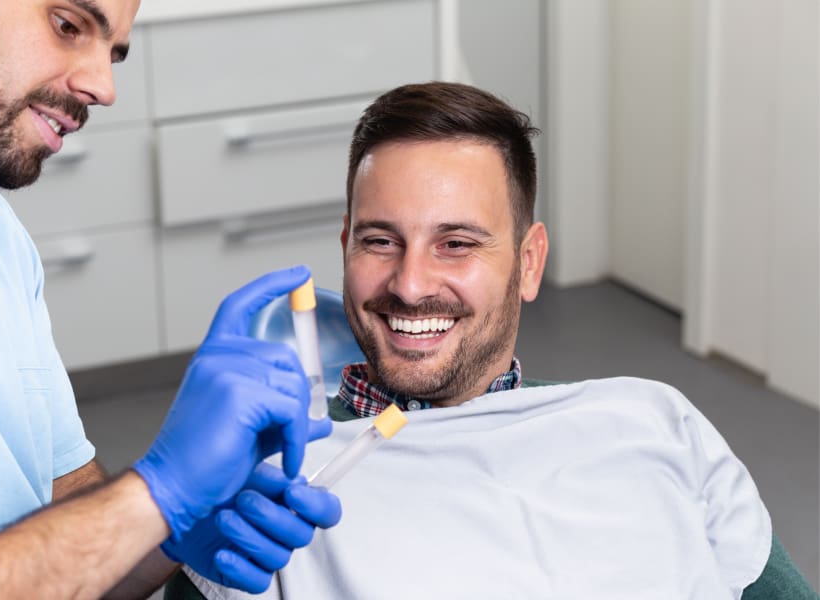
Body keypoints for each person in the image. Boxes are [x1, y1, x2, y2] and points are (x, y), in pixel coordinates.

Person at [176, 82, 817, 599]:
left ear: (529, 263)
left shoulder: (652, 421)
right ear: (345, 248)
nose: (410, 283)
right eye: (380, 241)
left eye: (456, 244)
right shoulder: (266, 493)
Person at [0, 1, 340, 598]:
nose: (102, 86)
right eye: (67, 25)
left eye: (112, 52)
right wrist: (154, 495)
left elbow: (66, 515)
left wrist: (171, 535)